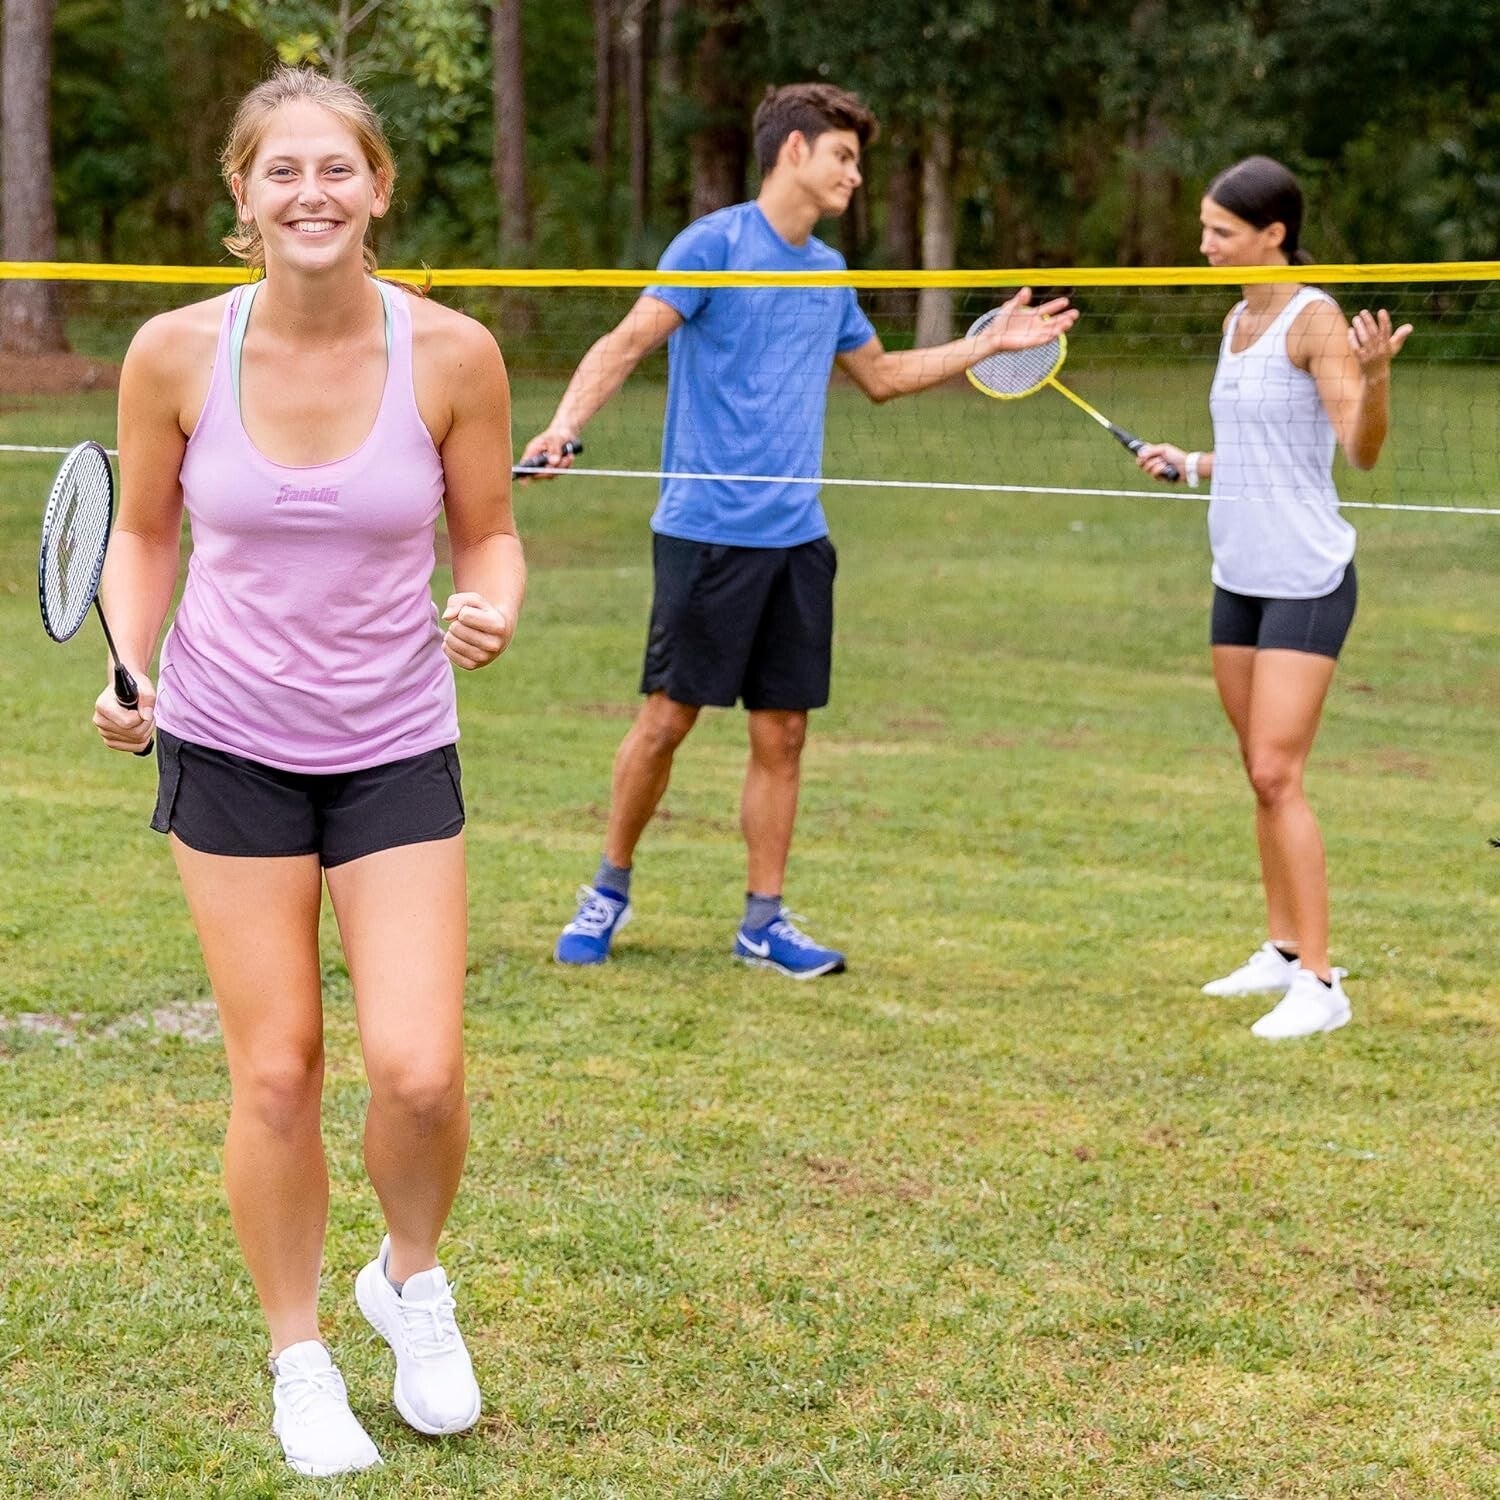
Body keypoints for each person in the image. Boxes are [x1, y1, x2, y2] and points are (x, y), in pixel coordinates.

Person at [91, 67, 523, 1475]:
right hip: (226, 744)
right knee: (275, 1072)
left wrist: (494, 602)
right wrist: (129, 656)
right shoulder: (173, 355)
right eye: (281, 171)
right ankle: (299, 1360)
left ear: (379, 187)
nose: (311, 194)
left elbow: (492, 535)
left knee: (421, 1069)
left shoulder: (454, 355)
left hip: (395, 741)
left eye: (337, 169)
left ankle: (408, 1279)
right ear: (241, 196)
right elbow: (144, 534)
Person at [522, 82, 1076, 977]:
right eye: (844, 157)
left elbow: (884, 377)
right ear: (793, 152)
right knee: (666, 721)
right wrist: (565, 425)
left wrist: (984, 345)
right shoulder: (713, 247)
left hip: (796, 540)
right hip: (705, 533)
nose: (855, 175)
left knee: (783, 734)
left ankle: (763, 921)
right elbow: (626, 342)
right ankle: (607, 887)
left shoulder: (828, 274)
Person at [1135, 155, 1410, 1040]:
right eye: (1206, 227)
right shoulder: (1234, 318)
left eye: (1220, 230)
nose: (1204, 244)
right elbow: (1259, 446)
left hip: (1305, 577)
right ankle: (1284, 951)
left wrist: (1375, 381)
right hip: (1237, 575)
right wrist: (1192, 462)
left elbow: (1356, 450)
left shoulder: (1315, 318)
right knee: (1258, 773)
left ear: (1272, 235)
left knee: (1275, 771)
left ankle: (1323, 985)